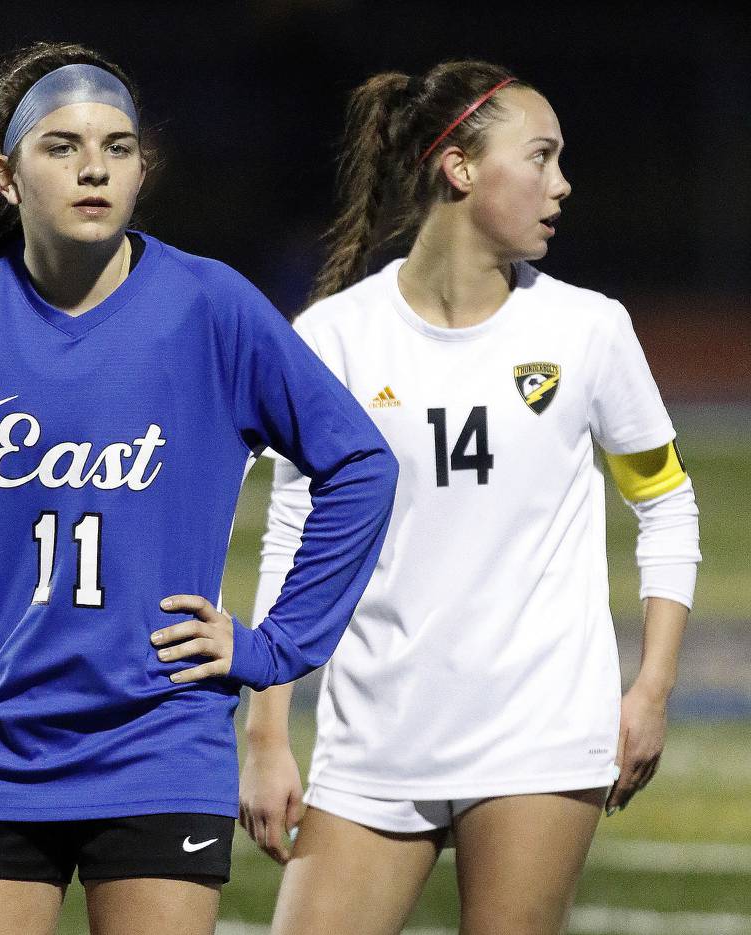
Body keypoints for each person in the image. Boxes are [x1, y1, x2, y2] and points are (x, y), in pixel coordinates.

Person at [0, 41, 398, 935]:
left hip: (161, 745)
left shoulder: (210, 306)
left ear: (142, 168)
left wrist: (275, 646)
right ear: (6, 175)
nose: (94, 168)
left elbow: (361, 464)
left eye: (118, 147)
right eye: (62, 146)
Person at [239, 61, 701, 935]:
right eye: (541, 157)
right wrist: (265, 733)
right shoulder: (335, 338)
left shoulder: (589, 329)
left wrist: (651, 688)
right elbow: (294, 535)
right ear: (458, 167)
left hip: (540, 732)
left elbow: (667, 503)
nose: (561, 185)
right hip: (374, 735)